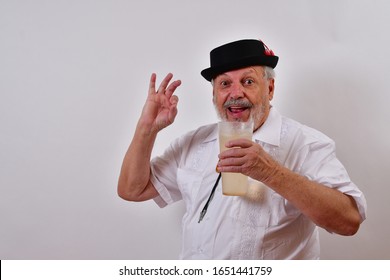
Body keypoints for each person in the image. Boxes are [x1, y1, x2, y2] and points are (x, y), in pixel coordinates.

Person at [117, 39, 367, 259]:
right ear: (214, 94)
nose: (235, 93)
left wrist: (270, 173)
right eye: (225, 83)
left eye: (248, 81)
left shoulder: (306, 143)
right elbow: (132, 190)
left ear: (269, 88)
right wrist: (146, 129)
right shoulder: (194, 142)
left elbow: (348, 221)